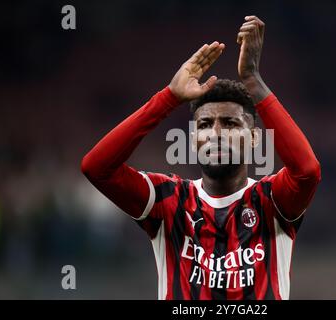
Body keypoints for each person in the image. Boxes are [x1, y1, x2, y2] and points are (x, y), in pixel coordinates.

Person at [81, 15, 321, 300]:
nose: (216, 133)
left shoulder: (272, 199)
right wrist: (169, 97)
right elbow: (96, 168)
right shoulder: (168, 201)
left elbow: (308, 171)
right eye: (205, 125)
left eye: (230, 124)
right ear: (194, 139)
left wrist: (253, 82)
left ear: (254, 137)